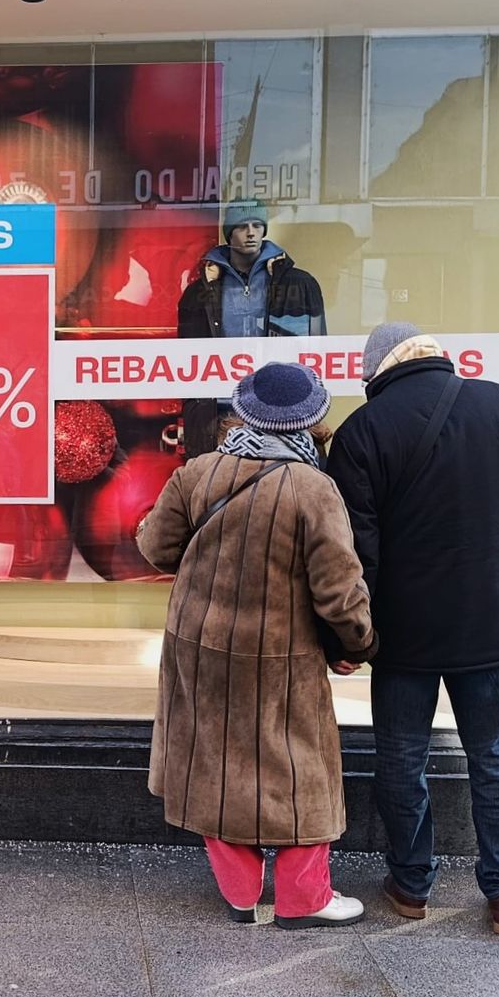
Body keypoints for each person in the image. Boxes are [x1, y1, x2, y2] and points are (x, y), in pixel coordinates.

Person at [326, 322, 499, 939]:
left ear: (379, 371)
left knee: (401, 755)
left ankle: (411, 882)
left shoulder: (362, 430)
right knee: (492, 752)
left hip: (402, 629)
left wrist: (350, 635)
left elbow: (359, 550)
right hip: (489, 619)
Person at [137, 362, 376, 929]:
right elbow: (339, 591)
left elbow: (154, 548)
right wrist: (358, 644)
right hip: (283, 656)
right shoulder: (315, 489)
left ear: (241, 413)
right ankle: (302, 898)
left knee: (213, 762)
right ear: (313, 422)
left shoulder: (197, 474)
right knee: (302, 770)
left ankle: (241, 891)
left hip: (198, 646)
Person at [177, 199, 326, 457]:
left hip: (280, 406)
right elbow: (187, 360)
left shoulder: (299, 284)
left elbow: (316, 351)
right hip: (220, 411)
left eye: (257, 225)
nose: (251, 233)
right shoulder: (199, 292)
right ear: (229, 233)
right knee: (221, 486)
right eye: (242, 226)